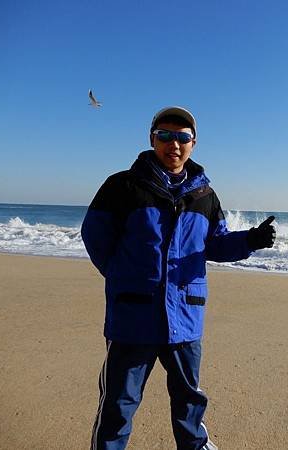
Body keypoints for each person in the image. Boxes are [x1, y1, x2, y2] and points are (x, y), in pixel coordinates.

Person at [81, 106, 276, 450]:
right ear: (152, 139)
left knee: (189, 400)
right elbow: (96, 236)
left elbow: (214, 243)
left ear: (193, 143)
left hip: (185, 316)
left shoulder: (205, 196)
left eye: (183, 137)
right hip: (133, 318)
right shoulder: (122, 186)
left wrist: (249, 240)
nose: (174, 144)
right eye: (166, 135)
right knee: (118, 404)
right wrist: (121, 277)